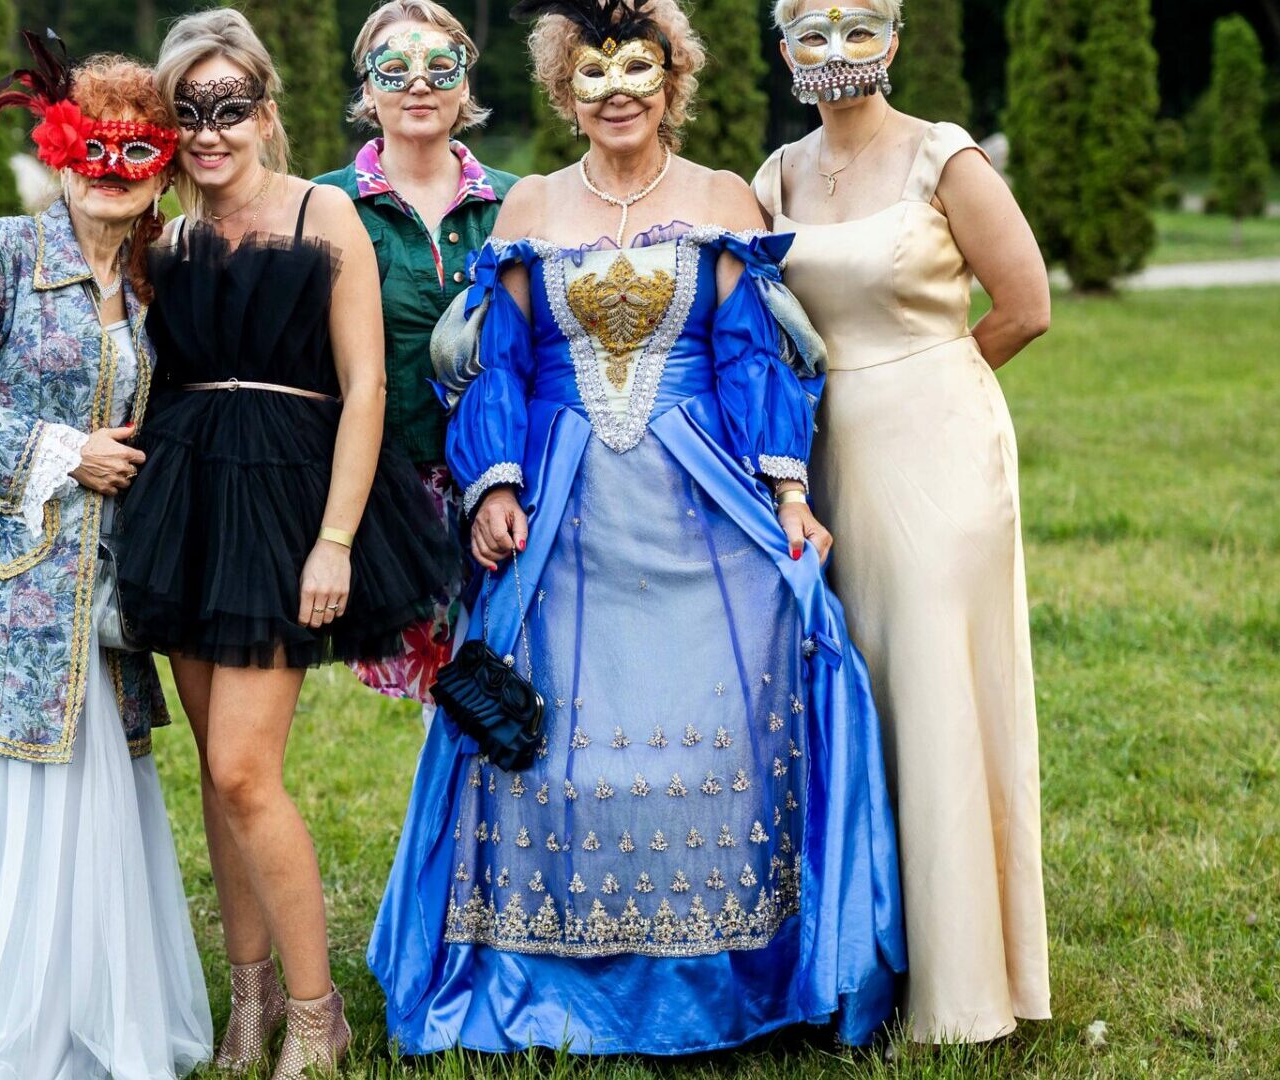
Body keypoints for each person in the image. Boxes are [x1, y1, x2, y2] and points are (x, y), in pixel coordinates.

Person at [367, 0, 905, 1055]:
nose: (616, 93)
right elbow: (500, 360)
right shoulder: (530, 203)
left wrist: (790, 495)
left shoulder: (722, 197)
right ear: (565, 91)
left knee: (734, 705)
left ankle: (731, 979)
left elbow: (750, 356)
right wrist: (494, 484)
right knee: (553, 736)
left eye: (637, 71)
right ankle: (539, 976)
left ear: (672, 82)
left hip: (699, 496)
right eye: (593, 73)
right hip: (562, 505)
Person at [113, 9, 459, 1077]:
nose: (210, 132)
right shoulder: (161, 237)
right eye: (189, 113)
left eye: (230, 108)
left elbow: (368, 386)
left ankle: (319, 1015)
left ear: (266, 112)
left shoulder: (323, 212)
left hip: (291, 505)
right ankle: (250, 998)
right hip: (186, 504)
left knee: (244, 769)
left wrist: (336, 540)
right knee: (217, 780)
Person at [0, 38, 213, 1078]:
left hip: (101, 606)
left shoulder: (154, 277)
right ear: (59, 152)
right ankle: (0, 1026)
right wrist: (66, 452)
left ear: (163, 167)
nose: (113, 171)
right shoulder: (1, 253)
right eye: (92, 149)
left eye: (138, 152)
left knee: (93, 815)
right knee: (16, 811)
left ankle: (81, 1014)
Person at [753, 0, 1054, 1044]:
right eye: (811, 30)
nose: (835, 50)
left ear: (891, 38)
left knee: (931, 690)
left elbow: (1025, 305)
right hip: (818, 459)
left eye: (858, 27)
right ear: (784, 48)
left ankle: (963, 987)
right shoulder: (776, 176)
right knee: (850, 691)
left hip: (938, 451)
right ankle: (858, 963)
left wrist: (928, 377)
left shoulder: (944, 156)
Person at [315, 0, 520, 710]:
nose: (419, 84)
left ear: (466, 83)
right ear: (368, 90)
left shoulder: (518, 204)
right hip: (384, 486)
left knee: (512, 672)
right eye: (394, 68)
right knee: (442, 693)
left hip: (507, 480)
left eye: (441, 66)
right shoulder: (325, 205)